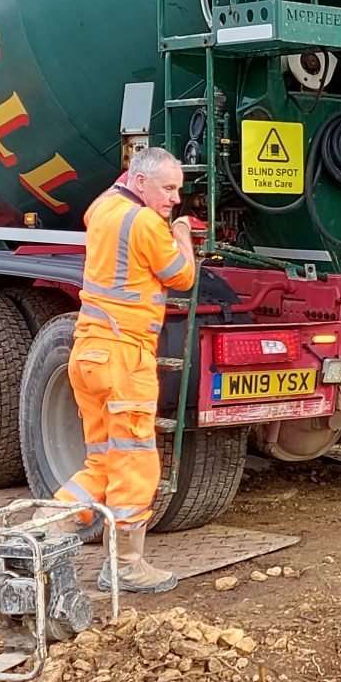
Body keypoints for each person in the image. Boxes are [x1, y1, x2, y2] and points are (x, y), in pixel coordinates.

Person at [55, 145, 198, 594]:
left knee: (103, 460)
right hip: (124, 357)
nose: (175, 198)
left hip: (90, 352)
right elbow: (181, 276)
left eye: (179, 190)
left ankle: (41, 533)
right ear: (140, 182)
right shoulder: (145, 223)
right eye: (168, 188)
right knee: (135, 463)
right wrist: (184, 235)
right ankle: (126, 567)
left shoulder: (103, 208)